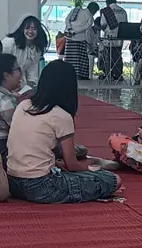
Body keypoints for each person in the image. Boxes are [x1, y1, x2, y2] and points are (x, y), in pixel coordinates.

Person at [7, 60, 122, 204]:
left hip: (12, 183)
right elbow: (71, 165)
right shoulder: (61, 115)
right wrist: (92, 171)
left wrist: (55, 163)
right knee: (113, 180)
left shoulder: (23, 105)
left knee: (81, 154)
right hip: (42, 186)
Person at [2, 15, 48, 89]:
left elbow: (32, 71)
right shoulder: (10, 43)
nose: (30, 31)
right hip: (4, 80)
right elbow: (0, 65)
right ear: (22, 29)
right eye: (27, 28)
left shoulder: (37, 49)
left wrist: (28, 88)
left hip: (20, 83)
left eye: (34, 29)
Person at [64, 2, 99, 80]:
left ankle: (68, 73)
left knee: (70, 58)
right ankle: (81, 75)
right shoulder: (90, 17)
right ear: (93, 10)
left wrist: (70, 29)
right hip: (80, 39)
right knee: (81, 59)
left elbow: (67, 19)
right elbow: (86, 27)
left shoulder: (75, 10)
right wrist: (75, 31)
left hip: (69, 37)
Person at [99, 0, 128, 81]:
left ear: (107, 3)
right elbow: (125, 24)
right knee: (118, 56)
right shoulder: (123, 11)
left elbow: (103, 24)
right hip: (120, 37)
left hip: (109, 37)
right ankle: (118, 74)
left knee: (108, 56)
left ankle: (108, 74)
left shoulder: (106, 11)